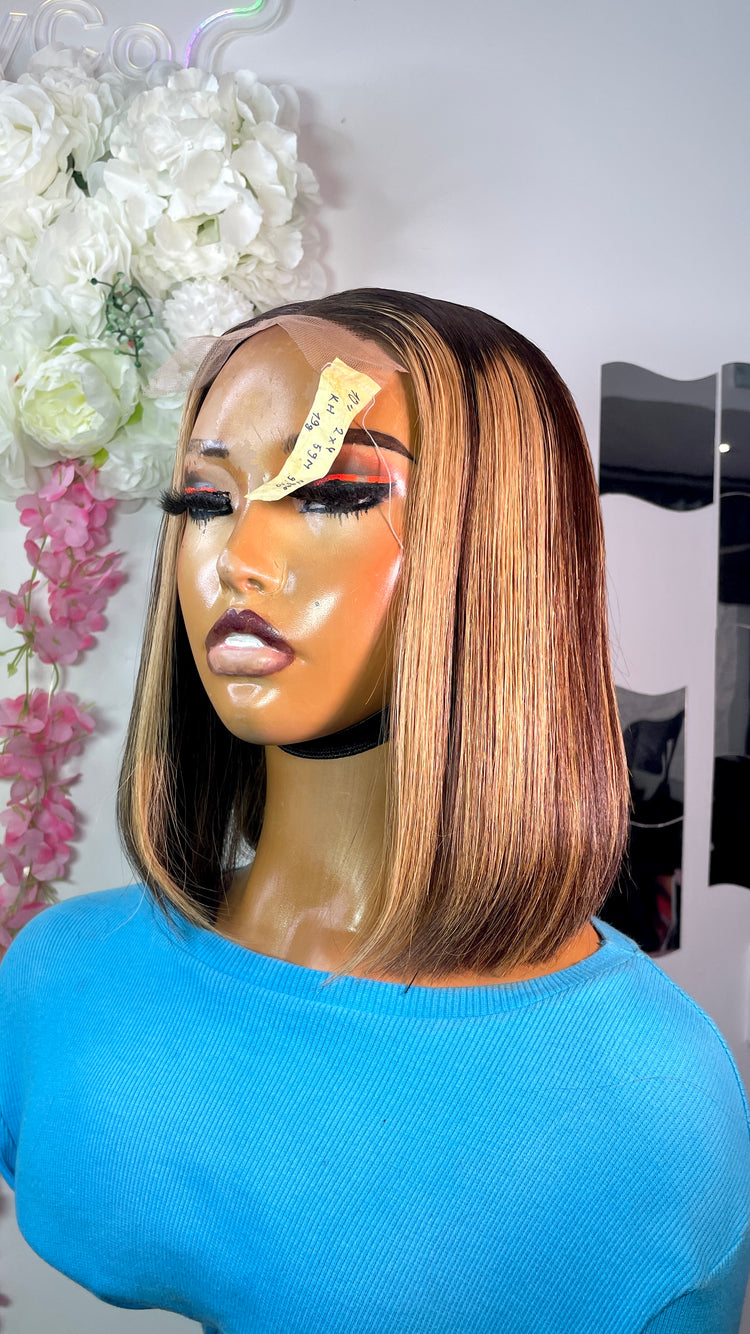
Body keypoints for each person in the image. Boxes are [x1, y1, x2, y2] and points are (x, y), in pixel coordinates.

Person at [0, 289, 748, 1333]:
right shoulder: (58, 981)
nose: (235, 555)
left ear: (497, 550)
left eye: (332, 490)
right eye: (204, 500)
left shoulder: (643, 1106)